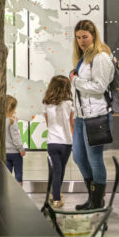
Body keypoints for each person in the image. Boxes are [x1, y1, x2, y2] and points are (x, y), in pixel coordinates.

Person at [69, 19, 114, 210]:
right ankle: (92, 197)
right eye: (78, 37)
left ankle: (97, 201)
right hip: (82, 116)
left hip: (97, 115)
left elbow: (99, 87)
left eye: (85, 37)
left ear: (93, 35)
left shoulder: (101, 57)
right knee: (79, 157)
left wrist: (75, 81)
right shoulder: (84, 57)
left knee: (95, 158)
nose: (81, 40)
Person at [44, 75, 75, 209]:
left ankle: (55, 195)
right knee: (60, 170)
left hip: (52, 141)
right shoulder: (69, 103)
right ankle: (56, 198)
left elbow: (47, 122)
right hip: (66, 142)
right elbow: (71, 123)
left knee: (56, 170)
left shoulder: (46, 102)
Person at [5, 95, 25, 186]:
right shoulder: (12, 121)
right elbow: (16, 137)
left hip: (5, 152)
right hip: (15, 153)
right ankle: (19, 192)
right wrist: (21, 149)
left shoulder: (0, 121)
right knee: (18, 174)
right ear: (12, 109)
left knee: (6, 175)